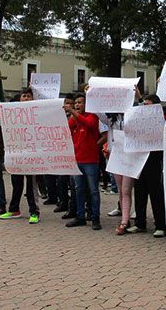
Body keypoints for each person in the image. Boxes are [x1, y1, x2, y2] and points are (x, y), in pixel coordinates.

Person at [127, 94, 166, 238]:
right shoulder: (139, 120)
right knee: (140, 193)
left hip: (154, 161)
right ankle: (140, 223)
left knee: (156, 195)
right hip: (139, 160)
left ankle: (161, 225)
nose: (145, 107)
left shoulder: (161, 120)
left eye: (148, 105)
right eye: (144, 105)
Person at [0, 88, 41, 224]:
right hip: (17, 155)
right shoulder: (13, 114)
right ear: (20, 99)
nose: (26, 99)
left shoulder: (37, 113)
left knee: (31, 186)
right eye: (24, 96)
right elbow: (3, 126)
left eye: (29, 96)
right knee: (16, 184)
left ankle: (34, 212)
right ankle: (14, 210)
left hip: (31, 156)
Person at [65, 93, 102, 230]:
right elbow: (67, 127)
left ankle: (95, 218)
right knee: (78, 190)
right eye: (76, 103)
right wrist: (70, 114)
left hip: (91, 161)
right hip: (77, 160)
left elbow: (90, 124)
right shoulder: (75, 118)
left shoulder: (92, 116)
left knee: (93, 191)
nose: (77, 105)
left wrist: (73, 112)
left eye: (80, 102)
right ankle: (80, 217)